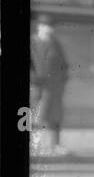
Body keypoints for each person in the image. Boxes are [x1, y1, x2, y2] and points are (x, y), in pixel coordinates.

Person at [30, 14, 70, 155]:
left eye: (51, 27)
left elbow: (64, 65)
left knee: (55, 116)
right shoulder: (32, 43)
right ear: (39, 27)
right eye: (45, 26)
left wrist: (62, 82)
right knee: (34, 116)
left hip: (53, 87)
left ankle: (55, 145)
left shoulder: (56, 44)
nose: (49, 30)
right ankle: (32, 146)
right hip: (35, 86)